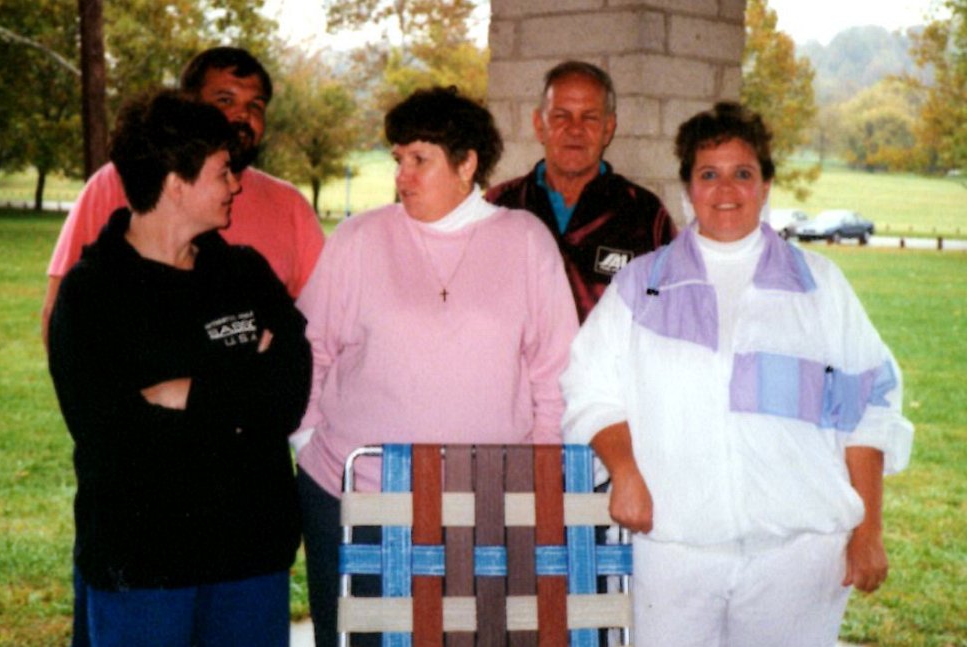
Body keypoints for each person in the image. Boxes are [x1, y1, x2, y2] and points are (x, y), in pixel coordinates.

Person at [560, 102, 913, 646]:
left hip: (797, 557)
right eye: (709, 174)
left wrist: (868, 531)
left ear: (765, 184)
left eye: (742, 173)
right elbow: (588, 388)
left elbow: (869, 408)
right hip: (674, 551)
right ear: (688, 187)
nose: (726, 189)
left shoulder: (819, 286)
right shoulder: (641, 286)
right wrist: (624, 471)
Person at [293, 86, 579, 646]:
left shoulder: (525, 241)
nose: (402, 176)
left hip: (487, 505)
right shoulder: (358, 238)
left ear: (466, 164)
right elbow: (311, 349)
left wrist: (537, 482)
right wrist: (307, 444)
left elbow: (554, 374)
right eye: (398, 159)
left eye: (419, 159)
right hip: (358, 497)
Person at [47, 90, 312, 647]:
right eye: (222, 172)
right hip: (144, 569)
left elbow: (286, 395)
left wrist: (185, 394)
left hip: (251, 562)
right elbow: (112, 436)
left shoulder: (245, 273)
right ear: (175, 183)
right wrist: (240, 403)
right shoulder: (92, 294)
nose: (236, 185)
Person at [41, 46, 324, 345]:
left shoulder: (289, 206)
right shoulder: (115, 182)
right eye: (225, 100)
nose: (244, 115)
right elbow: (61, 318)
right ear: (188, 106)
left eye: (256, 105)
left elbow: (319, 329)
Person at [486, 60, 676, 321]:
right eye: (561, 116)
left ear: (608, 129)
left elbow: (669, 306)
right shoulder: (499, 206)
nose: (575, 129)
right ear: (539, 125)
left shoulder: (644, 214)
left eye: (590, 117)